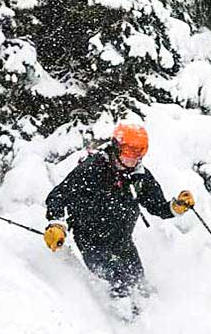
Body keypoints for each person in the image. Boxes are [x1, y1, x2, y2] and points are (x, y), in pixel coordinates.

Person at [43, 122, 194, 300]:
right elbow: (58, 195)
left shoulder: (139, 176)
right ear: (116, 147)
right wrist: (57, 223)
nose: (132, 159)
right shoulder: (93, 169)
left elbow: (157, 206)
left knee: (140, 285)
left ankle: (152, 318)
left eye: (138, 153)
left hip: (122, 241)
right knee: (120, 279)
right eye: (128, 152)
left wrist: (175, 208)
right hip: (91, 240)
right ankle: (120, 321)